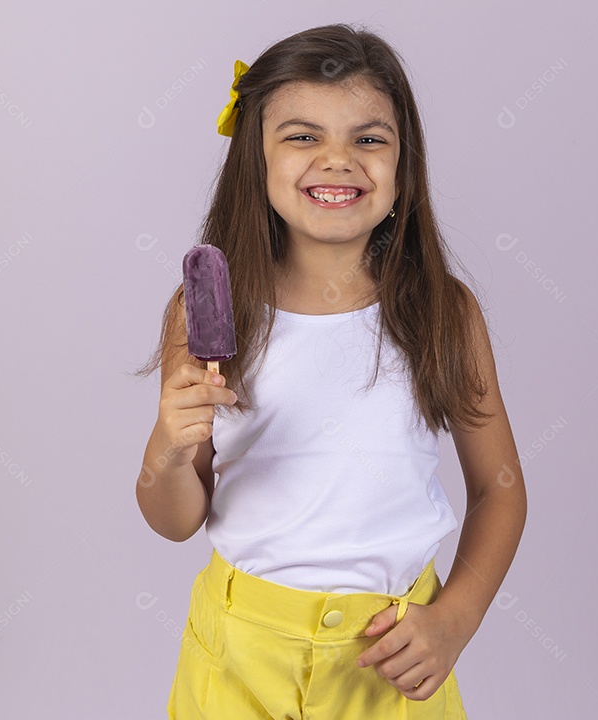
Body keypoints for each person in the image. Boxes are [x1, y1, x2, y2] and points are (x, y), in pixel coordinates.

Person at [135, 22, 527, 719]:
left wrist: (455, 620)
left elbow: (499, 492)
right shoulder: (204, 315)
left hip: (391, 657)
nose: (338, 160)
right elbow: (175, 519)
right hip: (236, 658)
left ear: (404, 165)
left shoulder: (443, 312)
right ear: (256, 159)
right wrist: (167, 449)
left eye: (368, 138)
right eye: (302, 135)